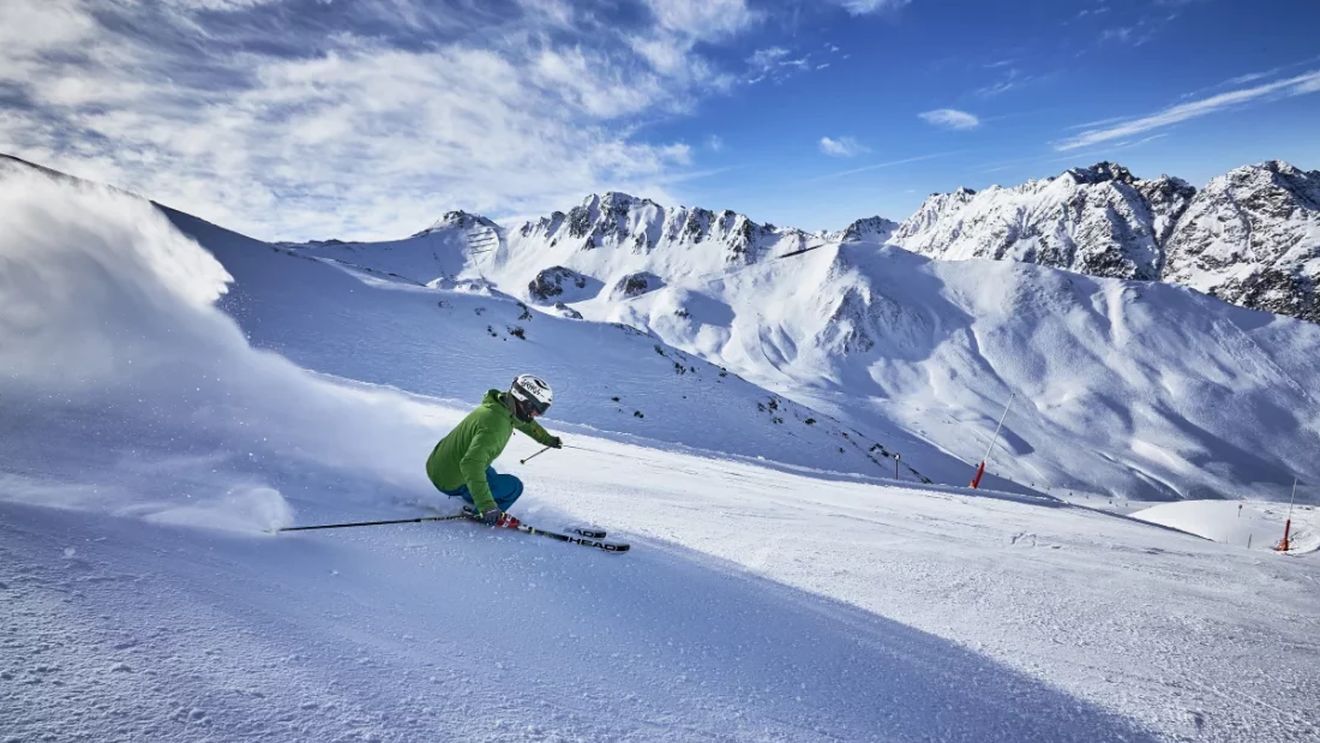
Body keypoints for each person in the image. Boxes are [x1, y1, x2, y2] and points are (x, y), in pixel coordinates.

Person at [425, 374, 562, 525]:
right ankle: (483, 515)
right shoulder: (496, 426)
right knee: (513, 488)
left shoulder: (500, 407)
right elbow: (471, 465)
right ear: (525, 402)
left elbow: (525, 423)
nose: (539, 414)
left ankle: (476, 496)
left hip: (437, 463)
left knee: (490, 473)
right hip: (449, 480)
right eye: (539, 408)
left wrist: (548, 439)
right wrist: (486, 505)